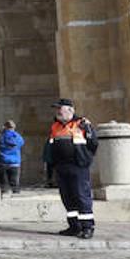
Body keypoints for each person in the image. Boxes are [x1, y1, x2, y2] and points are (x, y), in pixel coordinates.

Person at [47, 98, 98, 238]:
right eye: (56, 109)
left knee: (81, 196)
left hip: (78, 166)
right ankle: (74, 226)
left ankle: (87, 227)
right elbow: (50, 146)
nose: (57, 111)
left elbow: (93, 143)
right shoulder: (55, 126)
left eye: (60, 109)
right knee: (67, 197)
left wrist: (85, 159)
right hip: (62, 167)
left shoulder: (81, 124)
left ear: (70, 110)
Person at [0, 120, 23, 195]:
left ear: (5, 127)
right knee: (14, 181)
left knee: (4, 180)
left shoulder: (2, 136)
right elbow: (21, 143)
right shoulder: (17, 136)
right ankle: (16, 193)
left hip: (3, 161)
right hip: (15, 162)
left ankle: (4, 192)